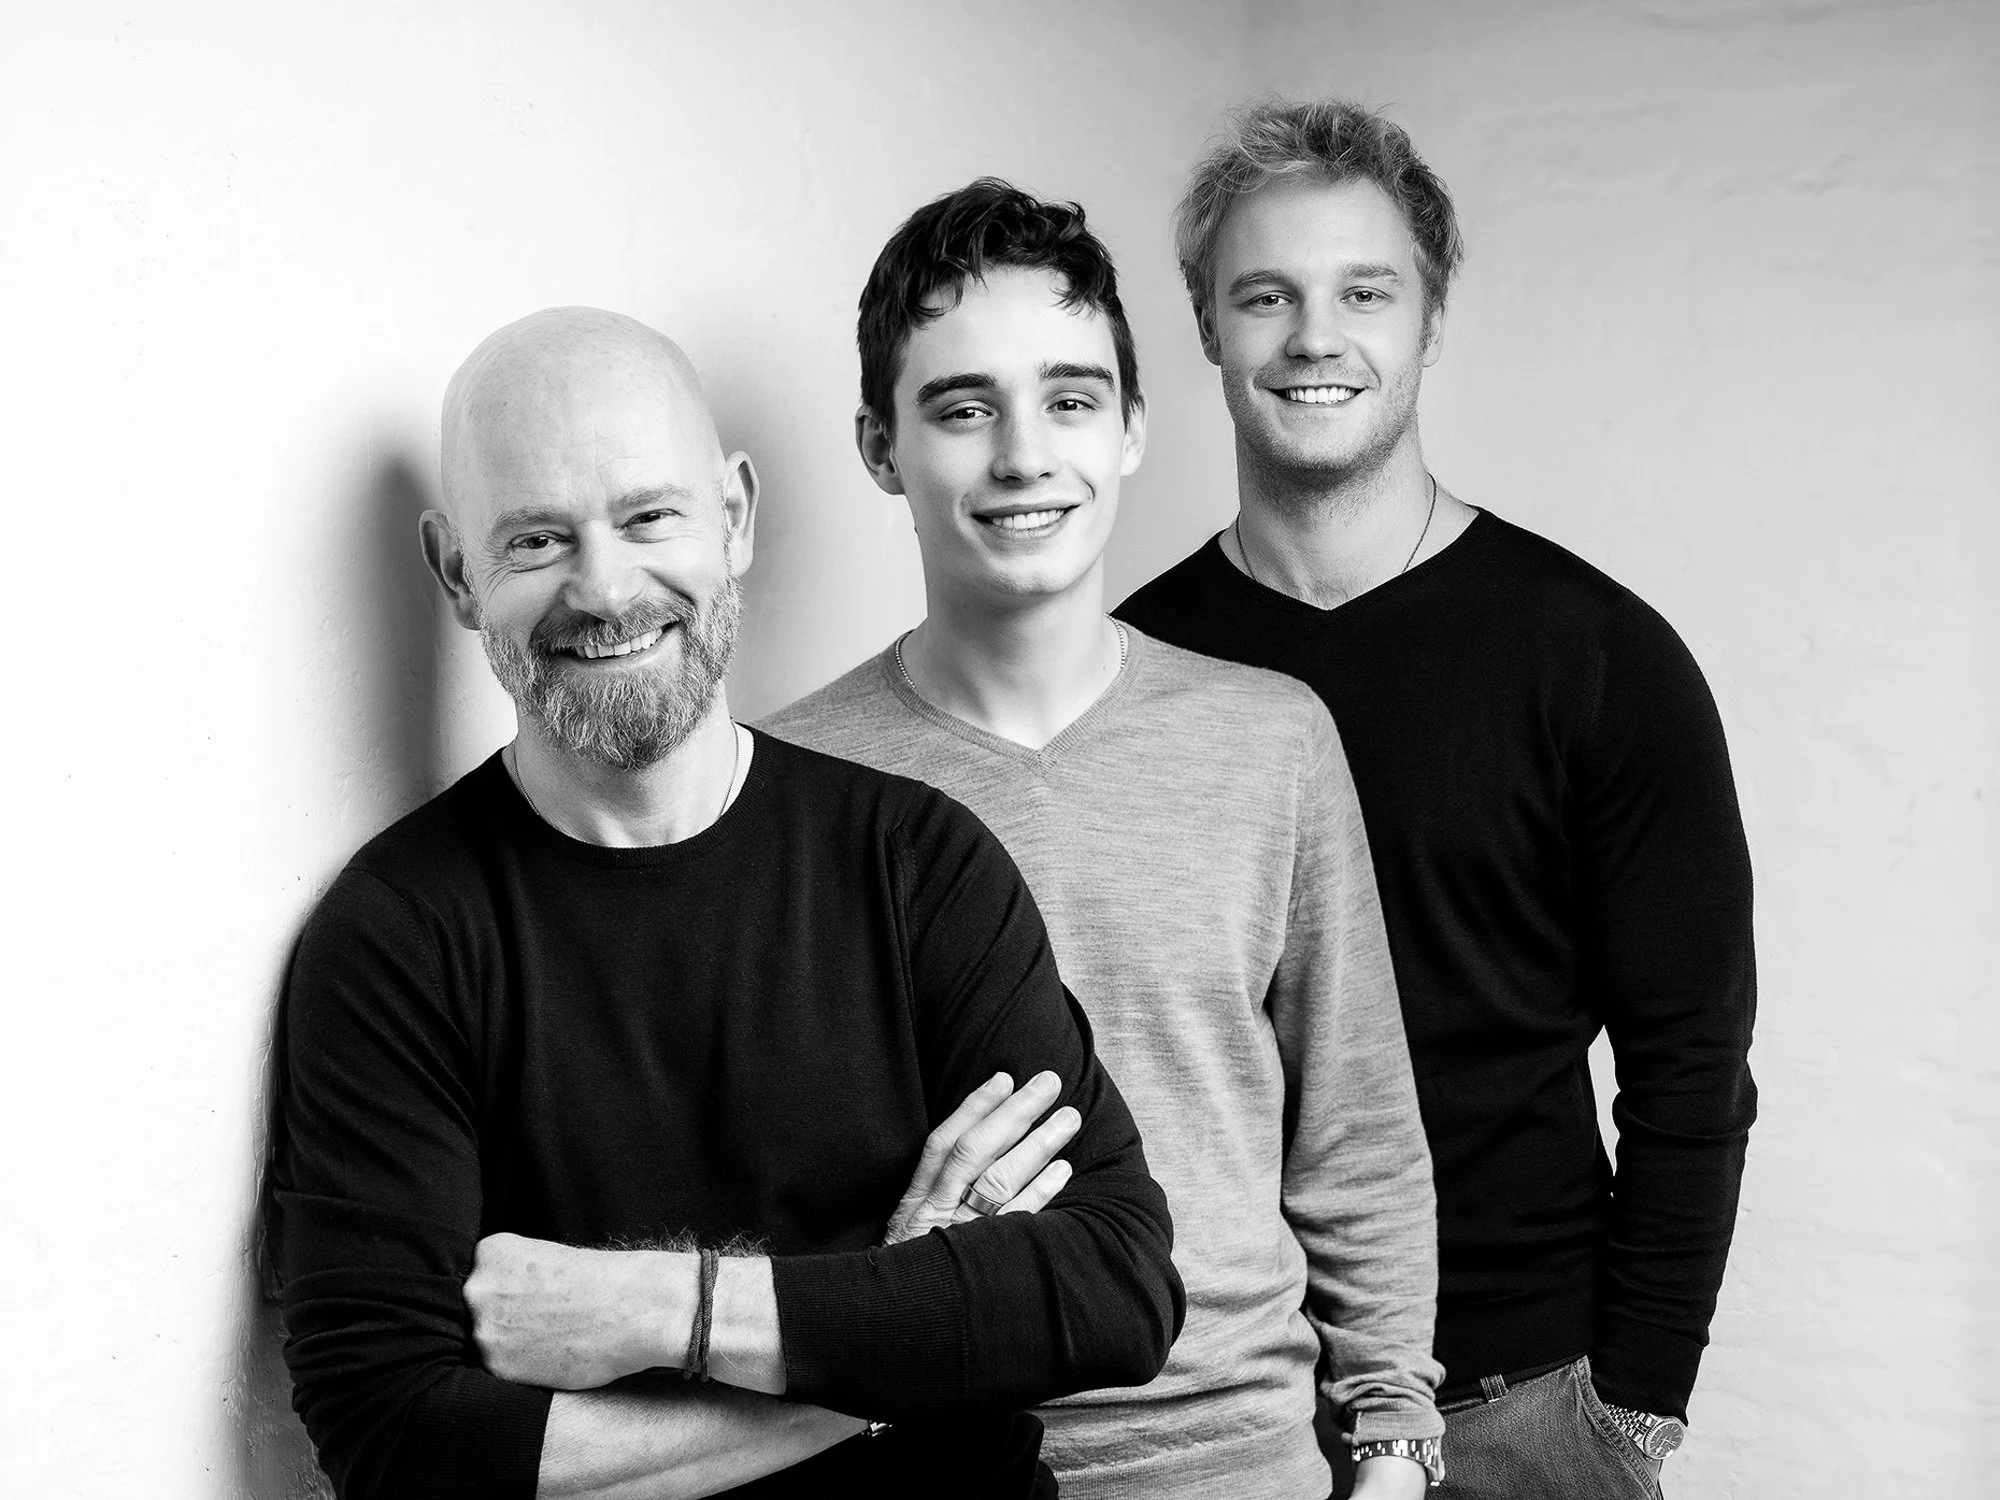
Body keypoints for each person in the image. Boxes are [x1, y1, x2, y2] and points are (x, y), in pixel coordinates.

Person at [265, 306, 1184, 1500]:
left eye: (649, 517)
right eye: (536, 540)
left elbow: (1111, 1288)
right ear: (456, 574)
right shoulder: (394, 941)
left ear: (735, 517)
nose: (604, 589)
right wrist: (897, 1335)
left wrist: (669, 1309)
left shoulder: (917, 863)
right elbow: (401, 1449)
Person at [1118, 100, 1759, 1499]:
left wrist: (1633, 1408)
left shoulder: (1597, 658)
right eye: (1265, 296)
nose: (1314, 337)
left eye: (1364, 292)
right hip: (1220, 1408)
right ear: (1207, 325)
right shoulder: (1129, 667)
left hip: (1521, 1404)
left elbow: (1692, 1065)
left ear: (1429, 319)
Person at [765, 179, 1441, 1500]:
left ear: (1130, 426)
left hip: (1244, 1460)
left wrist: (1392, 1450)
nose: (1024, 456)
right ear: (880, 446)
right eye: (963, 409)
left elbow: (1355, 1141)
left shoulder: (1272, 738)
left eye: (1070, 400)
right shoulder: (791, 785)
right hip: (934, 1465)